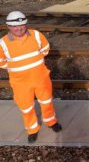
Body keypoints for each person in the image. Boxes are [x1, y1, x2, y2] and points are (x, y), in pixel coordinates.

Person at [0, 11, 62, 143]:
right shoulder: (3, 43)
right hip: (20, 83)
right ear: (8, 27)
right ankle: (32, 129)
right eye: (15, 26)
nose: (19, 28)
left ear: (25, 24)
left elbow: (45, 49)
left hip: (41, 78)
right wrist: (18, 68)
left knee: (46, 101)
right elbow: (1, 62)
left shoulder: (37, 35)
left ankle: (51, 121)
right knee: (26, 107)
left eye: (22, 25)